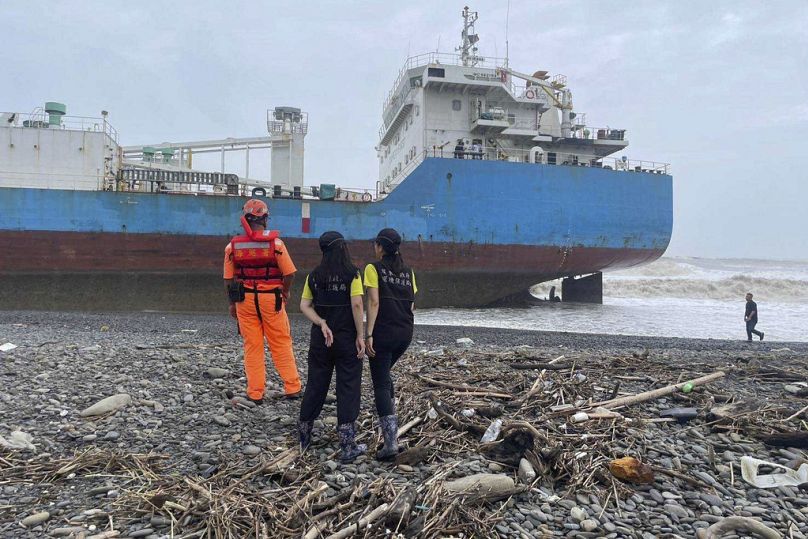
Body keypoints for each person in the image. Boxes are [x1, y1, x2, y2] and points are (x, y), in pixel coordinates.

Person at [223, 198, 302, 404]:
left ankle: (255, 393)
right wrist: (285, 292)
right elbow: (290, 274)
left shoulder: (232, 247)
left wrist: (232, 304)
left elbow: (228, 279)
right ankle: (292, 387)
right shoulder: (276, 244)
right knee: (281, 342)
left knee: (253, 346)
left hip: (245, 300)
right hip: (271, 300)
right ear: (265, 219)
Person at [297, 231, 367, 462]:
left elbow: (304, 305)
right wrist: (361, 335)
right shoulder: (352, 274)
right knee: (348, 387)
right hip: (346, 339)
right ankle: (347, 444)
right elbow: (357, 305)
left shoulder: (314, 276)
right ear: (342, 248)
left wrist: (321, 322)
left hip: (320, 340)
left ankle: (304, 435)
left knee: (316, 384)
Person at [364, 228, 417, 460]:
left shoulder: (372, 268)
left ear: (380, 247)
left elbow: (373, 302)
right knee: (385, 375)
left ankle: (390, 442)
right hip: (405, 332)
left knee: (380, 383)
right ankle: (392, 430)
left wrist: (368, 334)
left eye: (376, 244)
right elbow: (412, 305)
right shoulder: (408, 271)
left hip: (383, 332)